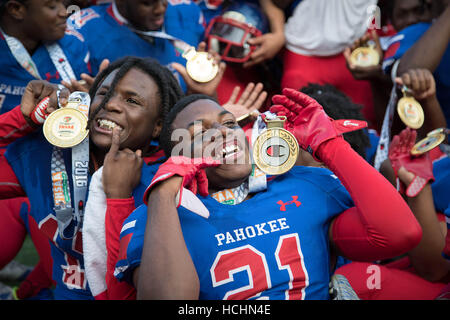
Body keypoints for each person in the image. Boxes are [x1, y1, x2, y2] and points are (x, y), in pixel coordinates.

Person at [109, 89, 422, 300]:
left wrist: (328, 144)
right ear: (177, 155)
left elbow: (400, 235)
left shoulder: (304, 183)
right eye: (200, 132)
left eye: (228, 123)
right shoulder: (155, 217)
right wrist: (164, 192)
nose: (221, 132)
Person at [3, 56, 184, 299]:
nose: (112, 105)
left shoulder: (167, 183)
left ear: (158, 126)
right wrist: (22, 118)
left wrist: (120, 198)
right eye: (104, 93)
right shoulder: (45, 153)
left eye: (132, 100)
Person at [66, 0, 225, 95]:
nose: (160, 9)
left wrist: (202, 92)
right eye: (147, 2)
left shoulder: (187, 10)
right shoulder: (82, 30)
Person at [0, 0, 90, 114]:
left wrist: (90, 98)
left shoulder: (73, 45)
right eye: (52, 6)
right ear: (16, 9)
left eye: (63, 3)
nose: (64, 12)